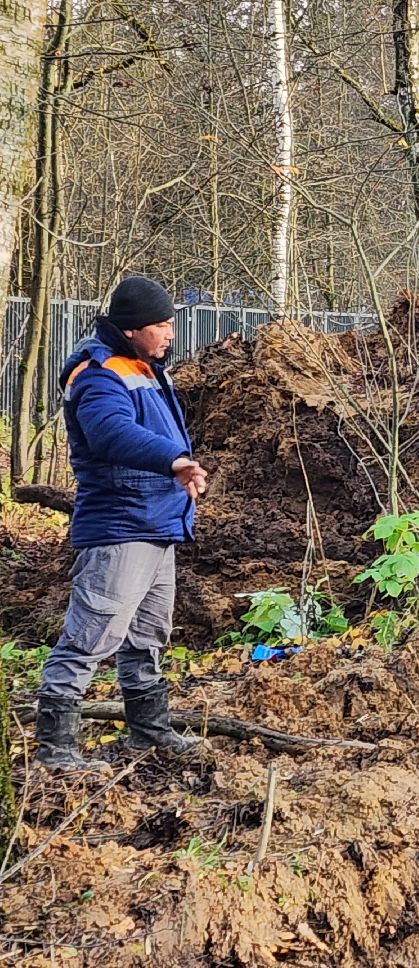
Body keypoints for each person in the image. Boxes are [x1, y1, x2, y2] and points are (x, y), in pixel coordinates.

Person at [33, 276, 210, 773]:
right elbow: (112, 434)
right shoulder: (97, 373)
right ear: (131, 329)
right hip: (120, 526)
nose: (171, 333)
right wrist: (174, 461)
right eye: (161, 325)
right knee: (92, 634)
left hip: (157, 523)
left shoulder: (146, 367)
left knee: (148, 635)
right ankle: (58, 751)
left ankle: (148, 731)